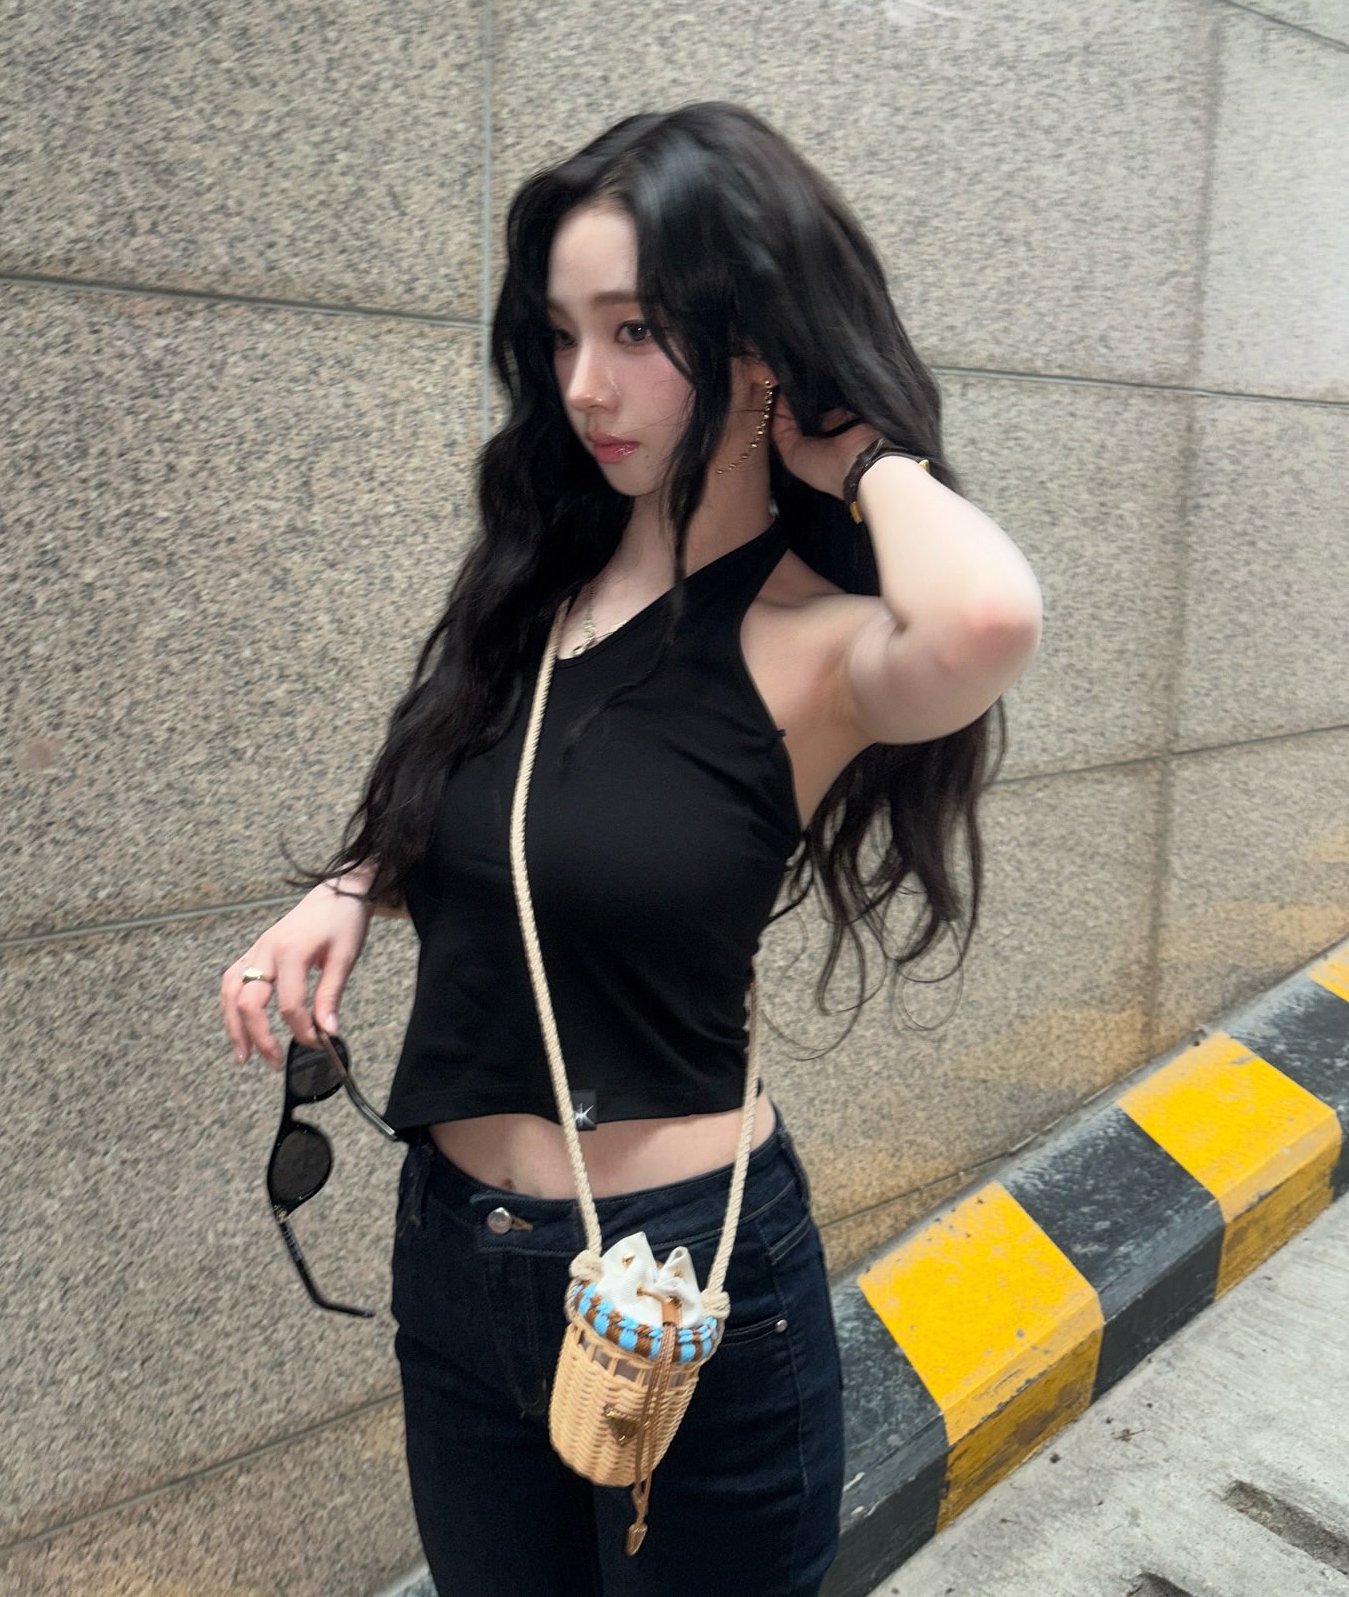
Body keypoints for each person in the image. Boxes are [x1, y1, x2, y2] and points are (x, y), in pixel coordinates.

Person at [217, 101, 1042, 1596]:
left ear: (757, 344)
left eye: (638, 331)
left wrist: (856, 452)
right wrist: (355, 884)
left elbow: (987, 618)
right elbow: (507, 803)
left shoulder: (812, 642)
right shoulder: (541, 580)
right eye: (561, 334)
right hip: (456, 1258)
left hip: (688, 1276)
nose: (585, 385)